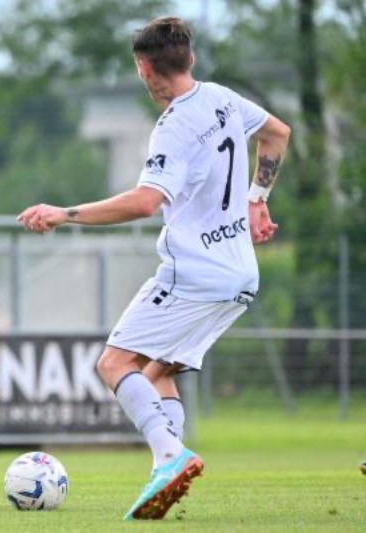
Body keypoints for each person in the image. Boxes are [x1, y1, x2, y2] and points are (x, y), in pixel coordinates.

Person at [17, 17, 291, 521]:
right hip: (240, 276)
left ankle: (169, 457)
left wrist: (64, 213)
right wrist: (258, 200)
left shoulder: (174, 126)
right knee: (159, 371)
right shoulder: (222, 98)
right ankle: (164, 470)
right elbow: (277, 133)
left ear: (144, 68)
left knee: (114, 365)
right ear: (188, 59)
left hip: (192, 274)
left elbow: (145, 203)